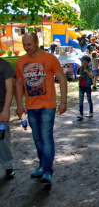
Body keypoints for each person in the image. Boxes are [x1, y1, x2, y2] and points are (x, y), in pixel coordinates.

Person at [16, 32, 68, 185]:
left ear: (37, 42)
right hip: (31, 106)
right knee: (37, 139)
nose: (26, 48)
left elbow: (62, 79)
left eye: (29, 45)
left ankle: (47, 170)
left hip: (47, 105)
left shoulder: (49, 58)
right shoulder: (21, 61)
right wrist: (19, 105)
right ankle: (42, 165)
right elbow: (18, 84)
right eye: (24, 45)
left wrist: (63, 101)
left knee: (46, 137)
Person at [0, 57, 16, 180]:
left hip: (1, 109)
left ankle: (8, 166)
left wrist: (6, 109)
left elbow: (10, 89)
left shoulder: (5, 65)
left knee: (2, 138)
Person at [76, 55, 94, 120]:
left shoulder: (90, 69)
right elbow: (78, 75)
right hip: (81, 86)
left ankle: (91, 112)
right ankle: (81, 113)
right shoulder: (80, 68)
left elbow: (92, 76)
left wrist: (87, 72)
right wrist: (79, 78)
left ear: (86, 62)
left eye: (82, 60)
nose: (81, 62)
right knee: (80, 100)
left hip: (87, 86)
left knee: (89, 99)